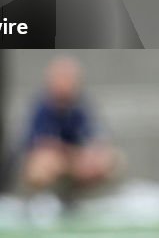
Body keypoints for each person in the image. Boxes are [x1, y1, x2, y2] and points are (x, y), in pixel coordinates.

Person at [22, 56, 120, 198]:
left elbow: (95, 138)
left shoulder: (81, 107)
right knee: (42, 165)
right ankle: (43, 198)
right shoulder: (42, 108)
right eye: (61, 78)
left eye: (69, 78)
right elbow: (42, 146)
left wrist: (88, 156)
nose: (65, 83)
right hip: (55, 162)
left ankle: (85, 199)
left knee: (110, 160)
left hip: (75, 159)